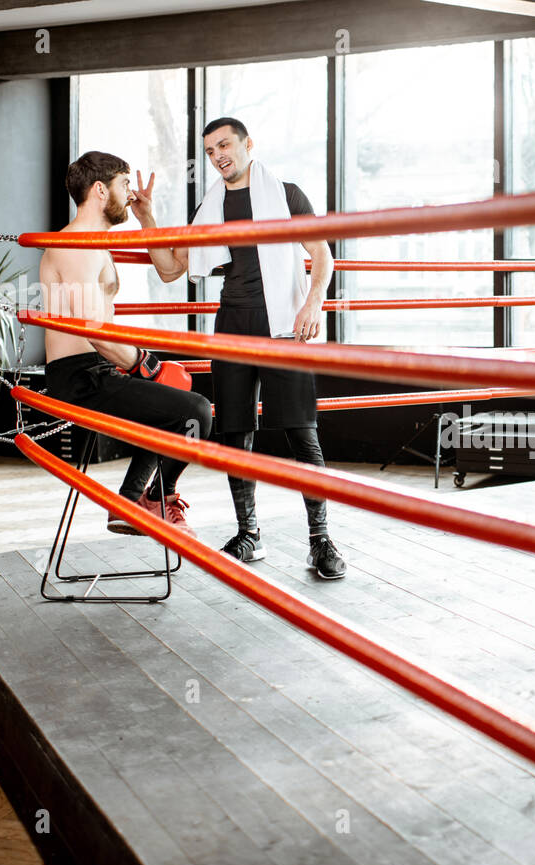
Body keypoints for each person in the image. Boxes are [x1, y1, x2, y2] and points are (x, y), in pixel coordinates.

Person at [132, 117, 346, 579]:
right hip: (232, 323)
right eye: (210, 151)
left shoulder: (286, 195)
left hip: (284, 323)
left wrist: (313, 303)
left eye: (224, 145)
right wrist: (147, 217)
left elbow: (323, 254)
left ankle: (321, 540)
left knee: (301, 431)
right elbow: (171, 270)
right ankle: (249, 534)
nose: (218, 155)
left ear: (248, 144)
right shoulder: (211, 207)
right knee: (235, 432)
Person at [40, 150, 213, 537]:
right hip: (80, 378)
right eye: (124, 185)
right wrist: (145, 364)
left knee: (173, 399)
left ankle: (131, 500)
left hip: (95, 370)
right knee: (196, 412)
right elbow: (95, 331)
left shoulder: (93, 242)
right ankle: (153, 500)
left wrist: (146, 217)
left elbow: (170, 271)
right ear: (101, 190)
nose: (130, 193)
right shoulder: (76, 246)